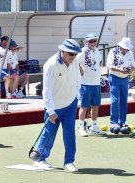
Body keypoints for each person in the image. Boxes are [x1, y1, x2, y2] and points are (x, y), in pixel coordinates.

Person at [33, 39, 82, 172]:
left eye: (76, 54)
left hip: (71, 103)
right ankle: (40, 159)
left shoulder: (75, 61)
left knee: (70, 133)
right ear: (63, 51)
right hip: (54, 105)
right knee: (50, 133)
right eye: (71, 54)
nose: (74, 57)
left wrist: (77, 95)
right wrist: (50, 110)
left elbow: (78, 79)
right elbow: (46, 90)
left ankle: (69, 162)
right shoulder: (50, 64)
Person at [76, 33, 106, 137]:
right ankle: (81, 127)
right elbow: (76, 62)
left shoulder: (97, 51)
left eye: (94, 41)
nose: (93, 43)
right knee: (84, 106)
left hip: (96, 83)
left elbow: (100, 61)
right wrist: (81, 71)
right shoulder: (82, 52)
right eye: (90, 41)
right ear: (86, 42)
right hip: (86, 83)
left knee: (95, 106)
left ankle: (93, 127)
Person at [106, 37, 135, 128]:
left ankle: (122, 121)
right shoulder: (113, 52)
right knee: (115, 100)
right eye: (124, 48)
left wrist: (130, 70)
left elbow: (133, 66)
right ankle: (114, 122)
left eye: (127, 48)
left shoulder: (130, 53)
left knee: (124, 100)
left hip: (125, 79)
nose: (126, 50)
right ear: (120, 46)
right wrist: (120, 70)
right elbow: (109, 66)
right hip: (114, 78)